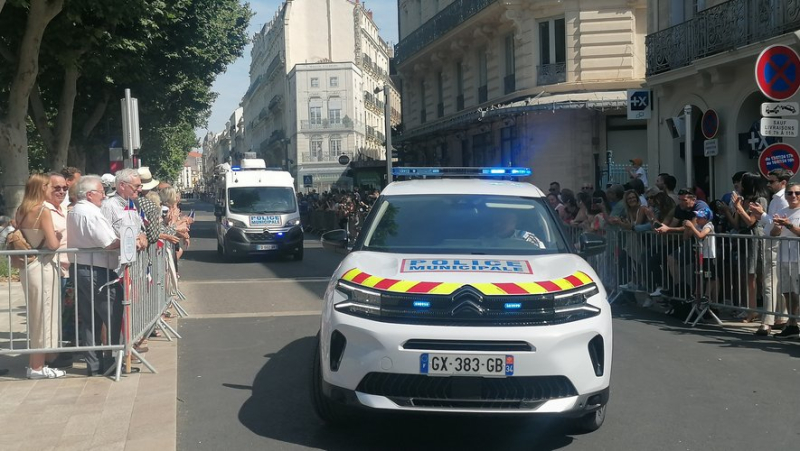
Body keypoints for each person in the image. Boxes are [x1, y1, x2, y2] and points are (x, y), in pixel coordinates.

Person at [68, 175, 123, 376]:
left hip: (82, 267)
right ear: (90, 195)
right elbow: (108, 242)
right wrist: (128, 239)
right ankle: (111, 361)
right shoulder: (91, 213)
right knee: (111, 315)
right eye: (101, 192)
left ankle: (94, 364)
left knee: (90, 320)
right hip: (97, 270)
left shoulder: (75, 210)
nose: (104, 195)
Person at [16, 174, 64, 379]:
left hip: (28, 267)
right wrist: (58, 236)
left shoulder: (21, 210)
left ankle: (36, 364)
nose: (51, 189)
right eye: (47, 186)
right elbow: (53, 244)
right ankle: (37, 366)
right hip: (43, 265)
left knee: (37, 314)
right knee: (44, 314)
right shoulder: (42, 210)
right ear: (40, 188)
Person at [751, 168, 793, 335]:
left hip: (775, 243)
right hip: (774, 242)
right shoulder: (777, 198)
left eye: (772, 181)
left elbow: (778, 224)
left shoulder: (783, 200)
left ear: (782, 182)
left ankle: (767, 322)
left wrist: (761, 214)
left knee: (770, 283)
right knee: (777, 283)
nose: (768, 184)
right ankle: (780, 318)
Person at [44, 172, 73, 370]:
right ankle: (49, 357)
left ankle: (55, 351)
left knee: (59, 313)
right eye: (57, 188)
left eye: (65, 188)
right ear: (45, 188)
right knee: (50, 313)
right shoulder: (43, 210)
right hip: (51, 268)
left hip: (65, 269)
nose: (62, 191)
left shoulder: (62, 208)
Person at [732, 172, 768, 322]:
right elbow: (737, 223)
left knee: (755, 275)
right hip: (743, 238)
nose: (739, 185)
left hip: (754, 237)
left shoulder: (760, 200)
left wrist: (739, 207)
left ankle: (757, 310)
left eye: (742, 182)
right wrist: (735, 208)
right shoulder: (744, 200)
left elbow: (751, 222)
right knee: (747, 275)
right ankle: (750, 309)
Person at [769, 182, 800, 339]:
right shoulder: (782, 210)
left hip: (797, 258)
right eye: (789, 193)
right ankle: (792, 324)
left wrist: (788, 224)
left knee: (798, 293)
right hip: (784, 256)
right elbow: (774, 233)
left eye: (797, 193)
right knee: (787, 292)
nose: (793, 196)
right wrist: (777, 226)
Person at [684, 208, 717, 304]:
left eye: (700, 217)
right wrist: (687, 227)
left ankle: (706, 295)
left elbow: (701, 235)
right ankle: (695, 294)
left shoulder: (709, 225)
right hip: (700, 255)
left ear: (706, 219)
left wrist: (692, 226)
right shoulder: (698, 225)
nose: (697, 219)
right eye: (697, 216)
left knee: (709, 276)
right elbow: (686, 237)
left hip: (709, 256)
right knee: (698, 275)